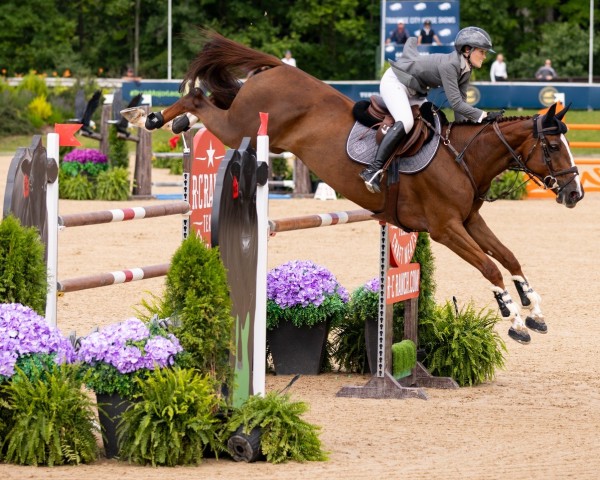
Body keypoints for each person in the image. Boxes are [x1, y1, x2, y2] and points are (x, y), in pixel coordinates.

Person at [359, 27, 503, 193]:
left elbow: (461, 106)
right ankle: (373, 170)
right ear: (467, 50)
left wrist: (464, 132)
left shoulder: (465, 70)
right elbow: (455, 103)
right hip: (396, 82)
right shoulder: (450, 65)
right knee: (406, 122)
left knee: (433, 123)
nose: (485, 57)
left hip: (416, 92)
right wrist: (483, 115)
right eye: (482, 52)